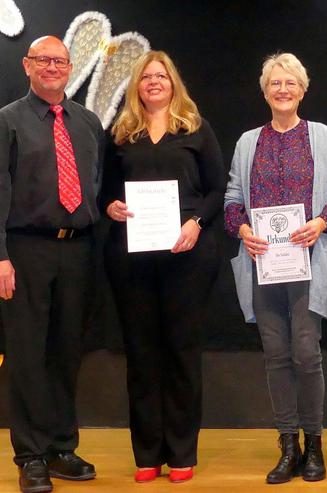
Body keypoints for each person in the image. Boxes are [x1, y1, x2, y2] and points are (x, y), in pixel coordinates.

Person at [224, 53, 327, 484]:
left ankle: (314, 446)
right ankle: (287, 446)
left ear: (303, 89)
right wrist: (242, 228)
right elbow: (231, 201)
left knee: (306, 353)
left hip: (309, 263)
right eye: (275, 83)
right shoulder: (248, 143)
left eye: (290, 83)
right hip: (262, 264)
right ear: (265, 91)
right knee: (276, 356)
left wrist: (321, 222)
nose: (283, 90)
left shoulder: (323, 137)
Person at [102, 51, 226, 483]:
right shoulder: (121, 133)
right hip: (132, 259)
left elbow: (217, 190)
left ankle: (181, 452)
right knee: (141, 354)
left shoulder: (195, 128)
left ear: (173, 83)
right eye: (146, 77)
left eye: (161, 76)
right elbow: (104, 192)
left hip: (187, 255)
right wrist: (111, 206)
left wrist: (196, 223)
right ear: (137, 85)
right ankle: (147, 454)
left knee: (181, 353)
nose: (154, 82)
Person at [0, 36, 104, 493]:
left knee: (65, 352)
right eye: (43, 59)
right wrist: (0, 255)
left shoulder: (87, 122)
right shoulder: (7, 121)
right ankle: (31, 455)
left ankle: (62, 446)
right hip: (26, 249)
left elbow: (98, 184)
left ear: (70, 67)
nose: (52, 67)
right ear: (27, 65)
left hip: (78, 249)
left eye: (60, 61)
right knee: (26, 354)